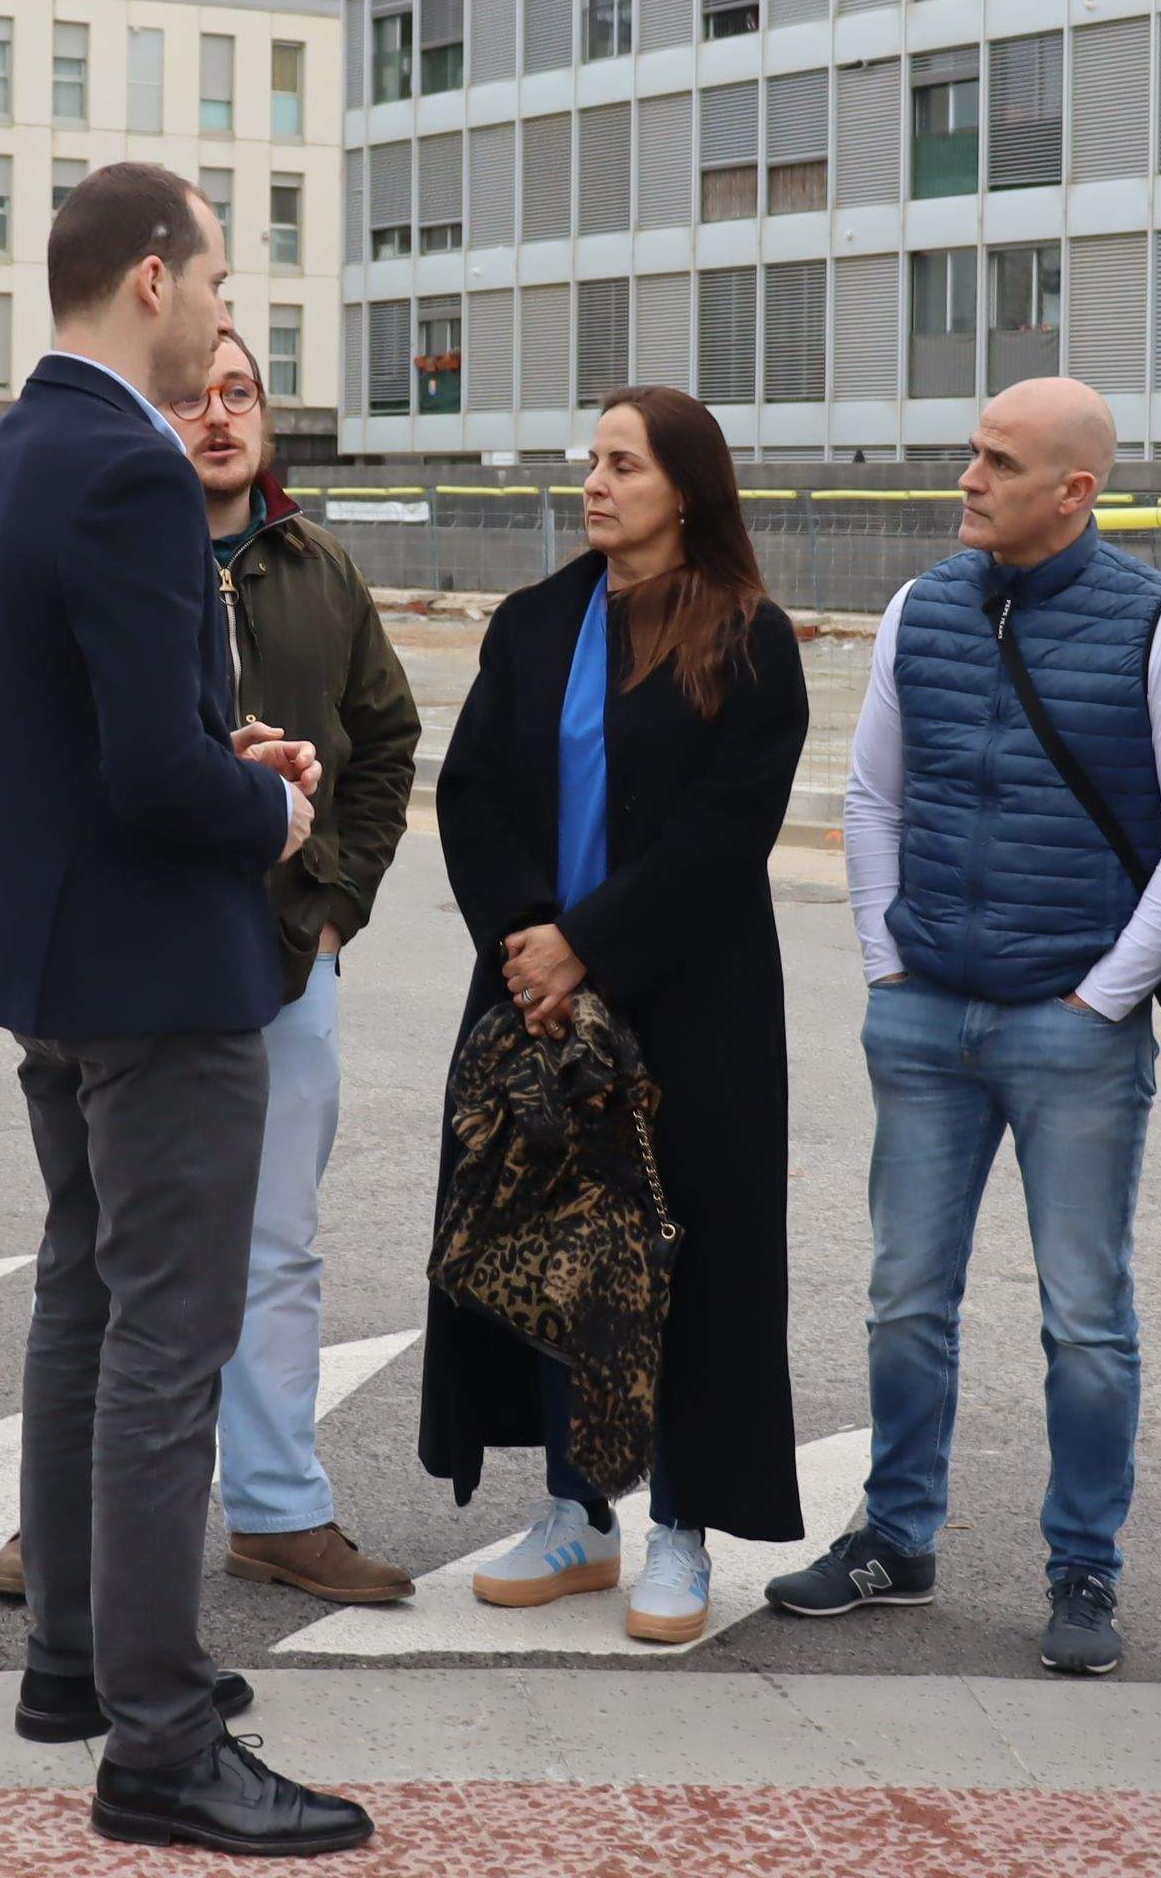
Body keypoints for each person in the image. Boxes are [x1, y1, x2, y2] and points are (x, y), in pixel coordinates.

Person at [0, 163, 369, 1859]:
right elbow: (145, 769)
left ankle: (71, 1664)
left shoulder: (9, 454)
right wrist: (273, 808)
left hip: (52, 963)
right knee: (170, 1347)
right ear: (157, 279)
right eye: (223, 279)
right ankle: (161, 1746)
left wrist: (212, 760)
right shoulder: (124, 465)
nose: (224, 315)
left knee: (83, 1312)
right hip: (158, 979)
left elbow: (58, 735)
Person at [764, 378, 1161, 1678]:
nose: (967, 479)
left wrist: (1105, 994)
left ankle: (1084, 1567)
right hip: (926, 1015)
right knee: (904, 1300)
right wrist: (885, 962)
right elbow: (870, 795)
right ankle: (897, 1536)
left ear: (1074, 490)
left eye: (998, 460)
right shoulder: (923, 607)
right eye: (971, 453)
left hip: (1072, 1030)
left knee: (1087, 1318)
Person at [0, 333, 423, 1611]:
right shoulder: (108, 537)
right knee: (113, 1250)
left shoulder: (319, 569)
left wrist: (339, 900)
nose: (219, 416)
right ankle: (63, 1524)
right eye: (191, 395)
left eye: (241, 394)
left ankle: (280, 1512)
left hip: (285, 959)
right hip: (137, 957)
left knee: (276, 1245)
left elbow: (386, 740)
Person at [422, 385, 808, 1646]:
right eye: (590, 460)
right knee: (549, 1241)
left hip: (691, 1000)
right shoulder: (535, 624)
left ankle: (683, 1528)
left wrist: (591, 944)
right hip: (535, 997)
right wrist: (533, 939)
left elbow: (722, 834)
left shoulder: (751, 638)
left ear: (684, 488)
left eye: (623, 464)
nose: (594, 482)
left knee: (678, 1254)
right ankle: (577, 1514)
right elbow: (472, 792)